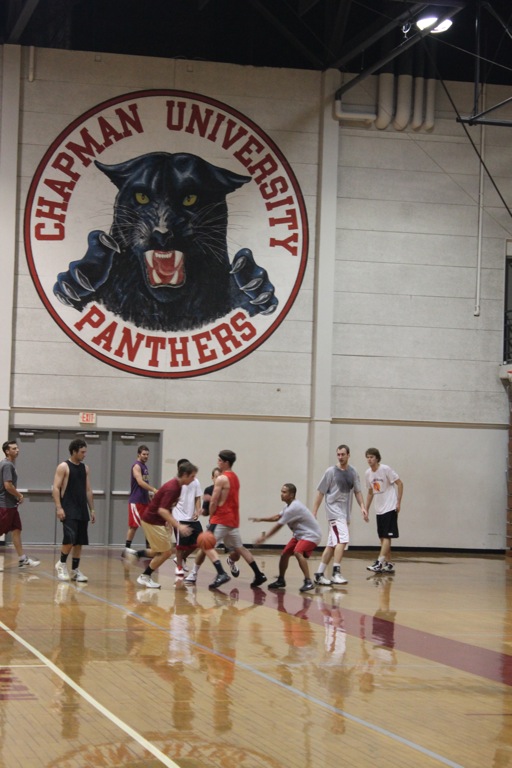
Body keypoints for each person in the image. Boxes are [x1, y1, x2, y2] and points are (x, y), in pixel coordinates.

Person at [185, 450, 266, 589]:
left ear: (226, 462)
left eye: (220, 460)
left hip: (221, 518)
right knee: (240, 548)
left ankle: (221, 573)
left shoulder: (222, 479)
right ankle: (259, 574)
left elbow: (214, 501)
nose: (218, 462)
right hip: (233, 519)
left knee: (205, 544)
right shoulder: (235, 477)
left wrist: (211, 515)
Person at [312, 444, 367, 586]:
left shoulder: (353, 472)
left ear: (348, 455)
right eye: (338, 455)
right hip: (334, 512)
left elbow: (357, 491)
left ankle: (319, 573)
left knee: (331, 545)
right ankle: (336, 572)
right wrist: (314, 511)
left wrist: (362, 507)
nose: (340, 457)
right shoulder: (330, 472)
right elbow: (321, 492)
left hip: (344, 513)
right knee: (343, 539)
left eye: (343, 454)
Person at [252, 483, 322, 593]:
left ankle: (308, 581)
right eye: (281, 491)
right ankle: (281, 580)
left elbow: (279, 525)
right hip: (300, 535)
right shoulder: (288, 506)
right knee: (284, 554)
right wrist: (261, 519)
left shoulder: (294, 507)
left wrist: (264, 538)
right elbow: (277, 517)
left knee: (297, 552)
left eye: (284, 492)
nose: (281, 494)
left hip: (311, 535)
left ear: (291, 495)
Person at [136, 461, 196, 589]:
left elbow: (166, 507)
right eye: (192, 476)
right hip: (152, 520)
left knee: (159, 550)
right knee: (166, 552)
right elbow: (162, 510)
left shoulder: (178, 486)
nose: (193, 479)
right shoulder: (173, 488)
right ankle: (145, 576)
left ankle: (135, 554)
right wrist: (178, 526)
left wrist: (168, 521)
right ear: (185, 475)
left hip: (154, 520)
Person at [53, 438, 95, 582]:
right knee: (69, 538)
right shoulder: (63, 466)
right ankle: (61, 563)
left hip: (82, 508)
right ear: (74, 451)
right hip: (68, 507)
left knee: (79, 541)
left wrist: (92, 509)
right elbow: (56, 488)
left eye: (85, 452)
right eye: (82, 452)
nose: (85, 454)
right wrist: (59, 507)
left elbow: (88, 490)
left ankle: (75, 570)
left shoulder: (85, 468)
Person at [0, 440, 40, 570]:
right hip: (4, 505)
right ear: (7, 451)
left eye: (17, 448)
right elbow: (8, 486)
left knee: (17, 529)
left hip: (11, 505)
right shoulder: (7, 465)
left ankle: (23, 559)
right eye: (14, 448)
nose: (17, 450)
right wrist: (19, 495)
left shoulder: (8, 464)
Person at [364, 447, 403, 574]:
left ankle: (379, 562)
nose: (369, 459)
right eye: (368, 457)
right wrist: (366, 508)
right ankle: (389, 563)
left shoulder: (385, 469)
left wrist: (398, 502)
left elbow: (400, 483)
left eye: (372, 457)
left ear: (377, 458)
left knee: (386, 536)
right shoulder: (368, 473)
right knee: (382, 537)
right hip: (379, 508)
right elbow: (370, 491)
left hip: (390, 507)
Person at [123, 444, 157, 555]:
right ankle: (126, 549)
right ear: (139, 454)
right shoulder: (136, 466)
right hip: (136, 501)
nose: (146, 456)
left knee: (148, 524)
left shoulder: (144, 467)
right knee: (134, 526)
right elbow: (140, 482)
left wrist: (150, 494)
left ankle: (149, 548)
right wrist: (154, 489)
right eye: (144, 454)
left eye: (147, 454)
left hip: (144, 500)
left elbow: (145, 483)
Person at [173, 458, 203, 576]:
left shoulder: (195, 481)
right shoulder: (176, 483)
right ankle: (179, 567)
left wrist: (197, 511)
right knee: (180, 546)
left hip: (191, 517)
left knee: (200, 542)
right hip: (179, 517)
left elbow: (197, 497)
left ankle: (181, 559)